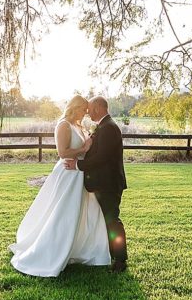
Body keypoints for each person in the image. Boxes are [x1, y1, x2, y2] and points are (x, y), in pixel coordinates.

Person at [9, 95, 111, 277]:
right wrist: (84, 149)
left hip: (80, 173)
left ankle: (81, 250)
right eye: (83, 109)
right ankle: (51, 251)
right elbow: (62, 152)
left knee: (85, 212)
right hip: (68, 172)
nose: (85, 112)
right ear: (75, 108)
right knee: (64, 213)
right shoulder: (63, 125)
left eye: (87, 110)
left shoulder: (79, 126)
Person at [63, 96, 127, 272]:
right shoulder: (104, 126)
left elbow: (102, 158)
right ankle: (111, 252)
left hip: (109, 184)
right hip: (102, 182)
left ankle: (120, 260)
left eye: (89, 109)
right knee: (106, 220)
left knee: (112, 220)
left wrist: (77, 165)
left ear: (98, 108)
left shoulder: (109, 128)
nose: (87, 112)